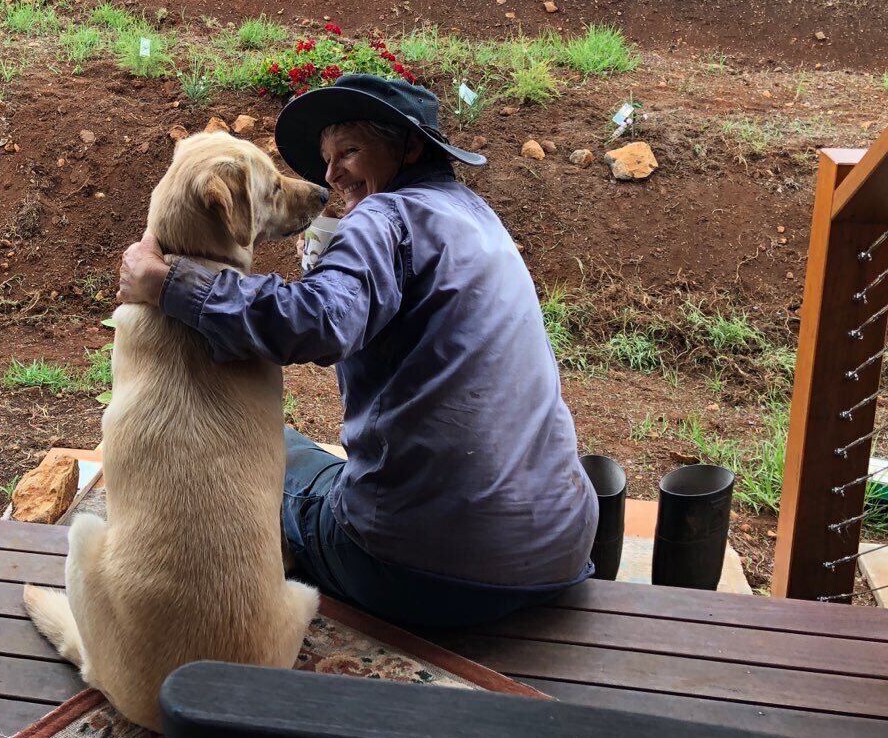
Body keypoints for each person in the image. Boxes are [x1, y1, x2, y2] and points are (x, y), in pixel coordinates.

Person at [117, 73, 596, 629]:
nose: (330, 175)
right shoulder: (478, 219)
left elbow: (319, 319)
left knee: (273, 457)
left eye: (349, 151)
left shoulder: (384, 216)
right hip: (559, 552)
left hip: (419, 571)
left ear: (410, 147)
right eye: (326, 159)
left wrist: (168, 283)